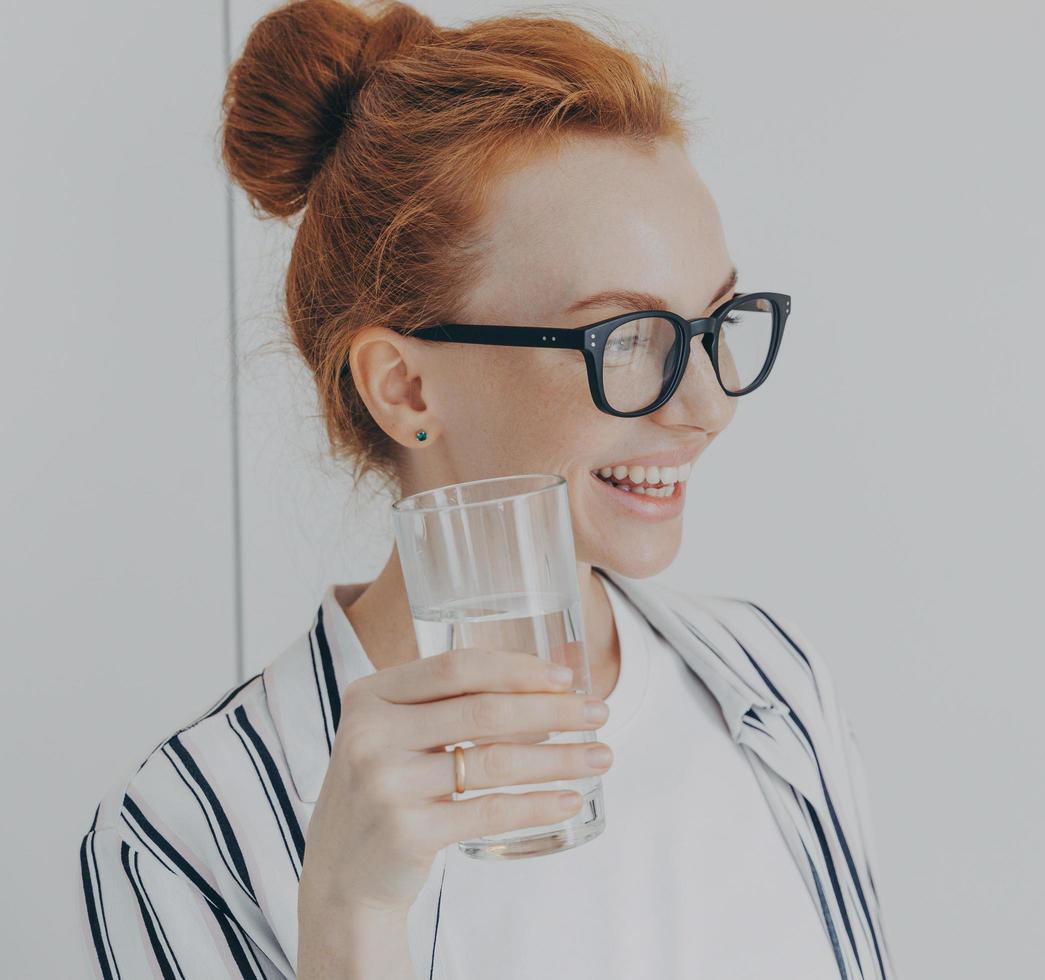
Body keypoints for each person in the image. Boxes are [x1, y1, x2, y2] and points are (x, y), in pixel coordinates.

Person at [73, 1, 892, 977]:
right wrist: (347, 913)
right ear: (405, 387)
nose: (708, 405)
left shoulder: (772, 687)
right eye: (626, 337)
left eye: (716, 321)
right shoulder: (189, 830)